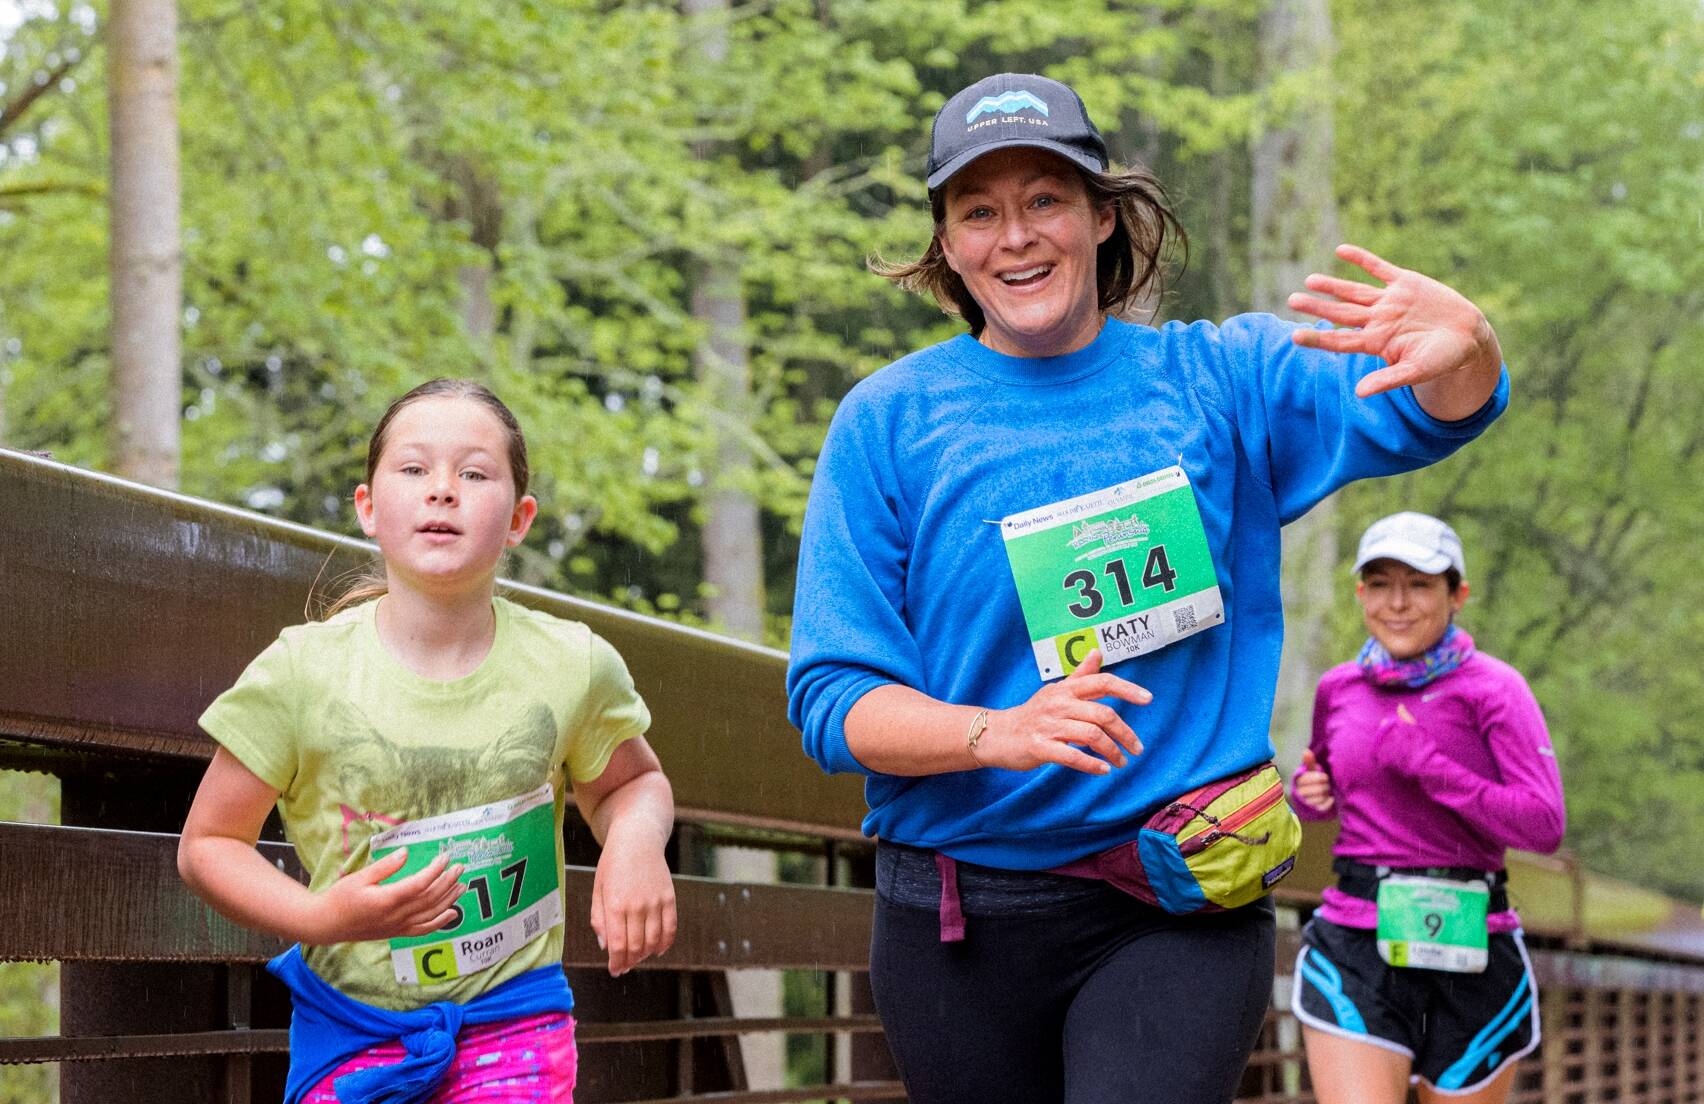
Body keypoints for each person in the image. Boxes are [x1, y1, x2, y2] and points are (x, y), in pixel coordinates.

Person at [786, 71, 1511, 1104]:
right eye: (979, 212)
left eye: (1045, 199)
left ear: (1102, 216)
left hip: (1177, 900)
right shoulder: (888, 421)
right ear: (946, 243)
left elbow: (1429, 407)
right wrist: (996, 732)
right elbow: (833, 699)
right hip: (957, 917)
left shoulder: (1220, 379)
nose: (1015, 237)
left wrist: (1468, 347)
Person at [178, 379, 677, 1104]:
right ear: (368, 508)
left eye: (474, 474)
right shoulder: (300, 672)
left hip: (515, 1022)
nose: (442, 489)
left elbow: (632, 784)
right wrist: (322, 917)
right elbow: (208, 845)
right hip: (352, 1027)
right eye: (414, 469)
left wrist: (634, 845)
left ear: (519, 519)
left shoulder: (573, 663)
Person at [1290, 512, 1565, 1104]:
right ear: (1360, 594)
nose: (1398, 604)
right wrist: (1309, 795)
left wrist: (1429, 766)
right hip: (1356, 938)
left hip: (1474, 947)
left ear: (1457, 595)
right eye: (1381, 584)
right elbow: (1322, 786)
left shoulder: (1496, 688)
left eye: (1419, 585)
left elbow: (1544, 826)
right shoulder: (1339, 688)